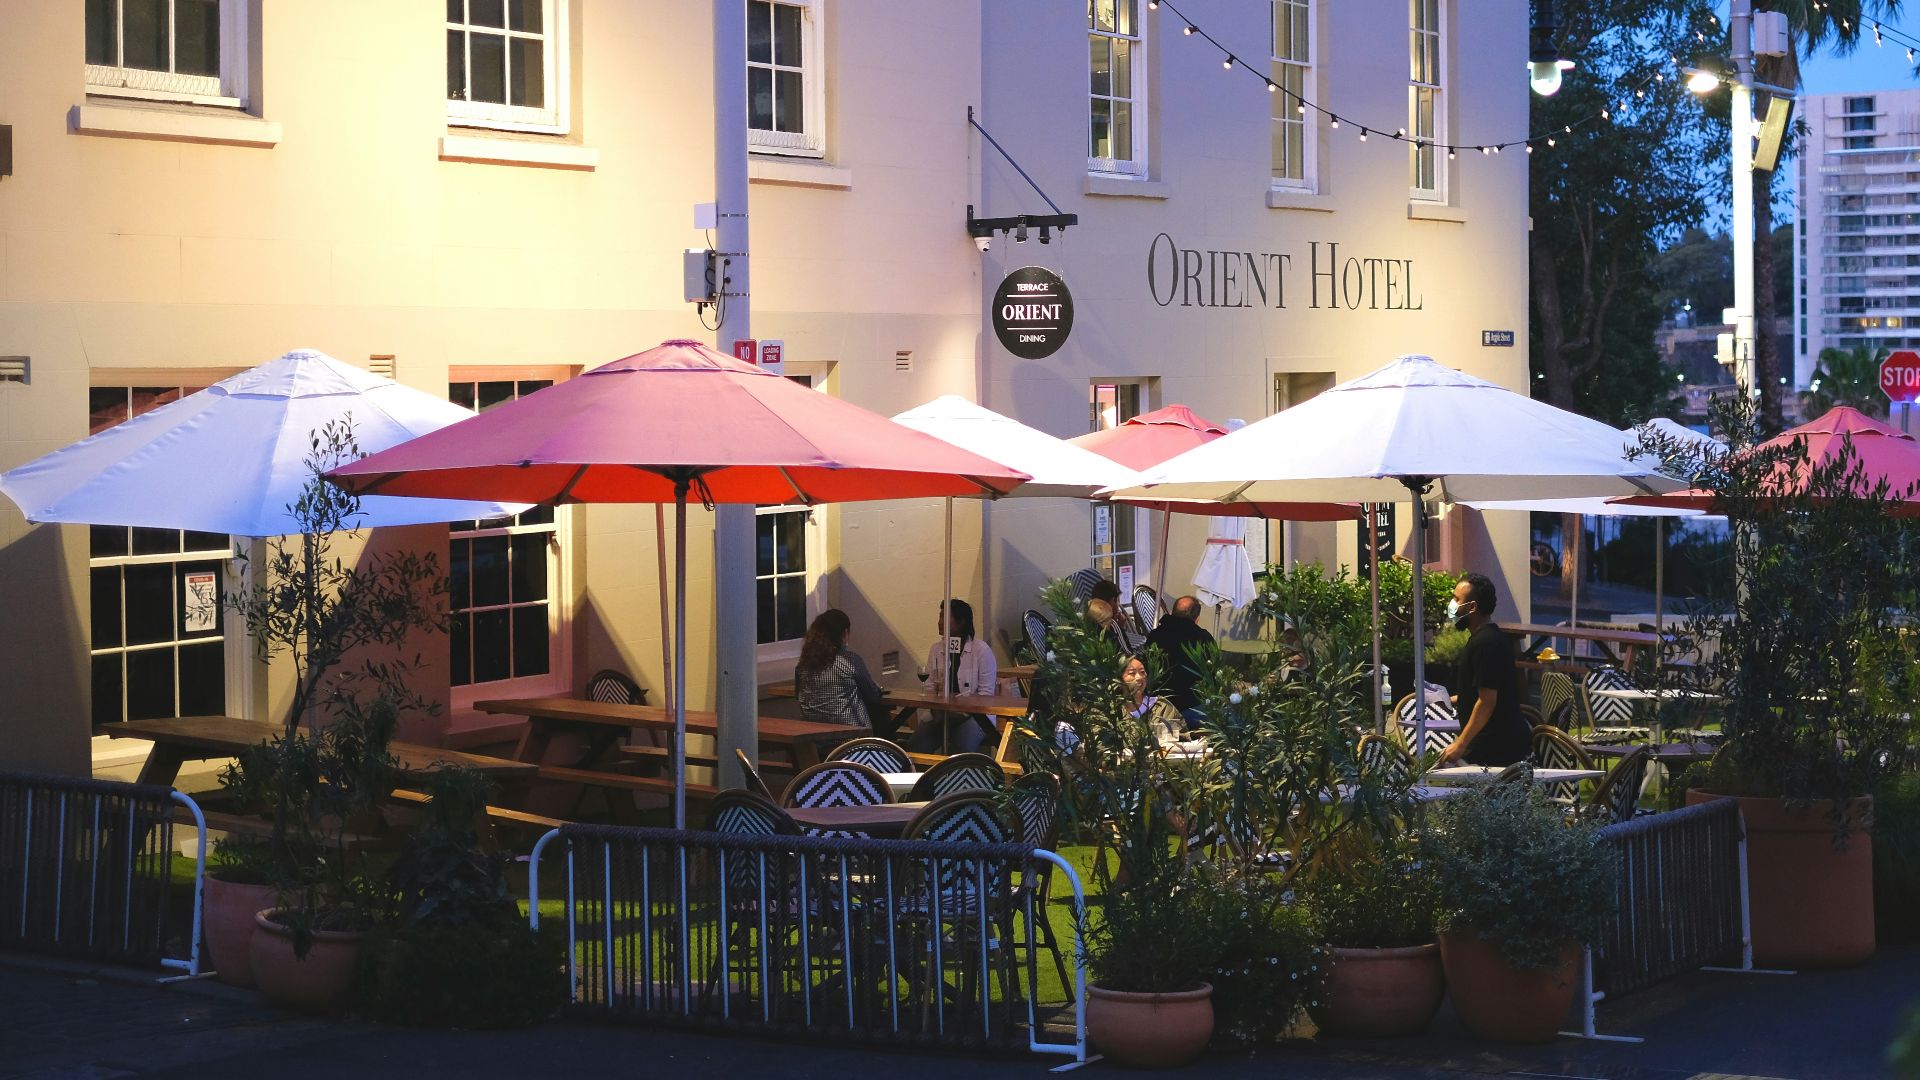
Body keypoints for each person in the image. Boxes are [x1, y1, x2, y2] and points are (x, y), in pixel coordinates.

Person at [1437, 572, 1530, 766]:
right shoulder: (1489, 637)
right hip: (1494, 745)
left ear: (1472, 607)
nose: (1452, 605)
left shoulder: (1485, 644)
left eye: (1456, 599)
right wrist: (1444, 699)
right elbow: (1481, 689)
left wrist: (1461, 744)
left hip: (1495, 750)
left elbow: (1487, 700)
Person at [909, 598, 998, 753]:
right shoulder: (936, 649)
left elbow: (986, 695)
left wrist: (960, 714)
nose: (939, 622)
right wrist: (938, 712)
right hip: (942, 714)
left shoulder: (981, 651)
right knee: (916, 745)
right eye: (939, 617)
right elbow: (930, 686)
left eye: (944, 618)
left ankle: (965, 776)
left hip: (975, 716)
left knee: (959, 747)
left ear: (961, 622)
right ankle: (926, 777)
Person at [793, 609, 884, 729]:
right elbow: (872, 695)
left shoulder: (804, 665)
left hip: (815, 739)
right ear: (844, 633)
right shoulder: (849, 661)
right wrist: (878, 688)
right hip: (852, 739)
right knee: (881, 715)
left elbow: (798, 695)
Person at [1144, 594, 1215, 729]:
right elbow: (1213, 676)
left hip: (1159, 710)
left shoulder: (1155, 636)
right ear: (1197, 618)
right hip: (1192, 710)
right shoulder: (1203, 638)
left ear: (1172, 612)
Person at [1121, 654, 1192, 750]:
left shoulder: (1162, 708)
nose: (1139, 677)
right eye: (1132, 673)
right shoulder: (1111, 711)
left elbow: (1182, 742)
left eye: (1142, 672)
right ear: (1118, 680)